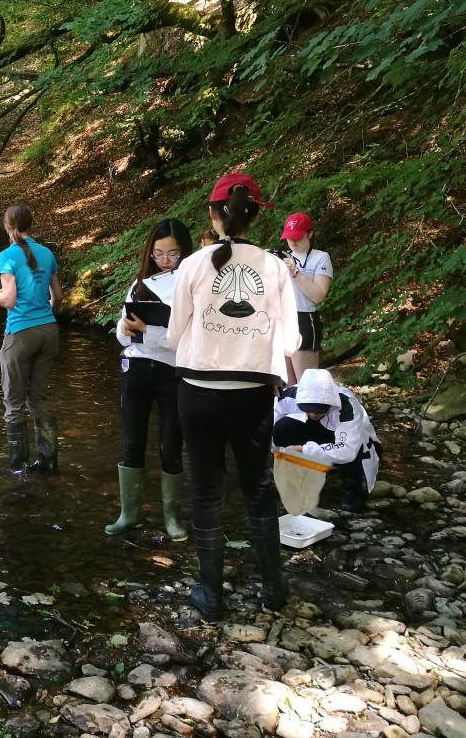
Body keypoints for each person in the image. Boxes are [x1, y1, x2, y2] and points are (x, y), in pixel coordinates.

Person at [167, 172, 300, 619]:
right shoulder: (275, 267)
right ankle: (273, 590)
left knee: (207, 490)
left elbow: (173, 336)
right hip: (252, 393)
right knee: (258, 485)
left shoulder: (192, 265)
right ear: (255, 215)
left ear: (213, 214)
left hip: (197, 391)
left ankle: (211, 596)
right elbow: (292, 343)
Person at [107, 218, 194, 541]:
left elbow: (188, 340)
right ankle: (129, 513)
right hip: (137, 368)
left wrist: (149, 331)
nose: (165, 261)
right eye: (158, 254)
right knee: (132, 441)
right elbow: (123, 336)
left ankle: (172, 517)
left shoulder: (191, 286)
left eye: (173, 254)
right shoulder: (139, 284)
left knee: (171, 442)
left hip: (172, 370)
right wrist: (126, 328)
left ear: (185, 251)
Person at [0, 204, 62, 474]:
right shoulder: (47, 253)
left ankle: (18, 469)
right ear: (31, 225)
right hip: (49, 331)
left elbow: (8, 300)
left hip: (20, 333)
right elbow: (58, 297)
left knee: (14, 404)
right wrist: (47, 312)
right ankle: (48, 463)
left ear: (7, 227)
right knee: (38, 398)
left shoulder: (7, 256)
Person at [273, 368, 380, 512]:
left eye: (319, 409)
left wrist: (304, 450)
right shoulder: (288, 396)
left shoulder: (347, 405)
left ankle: (351, 488)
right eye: (308, 408)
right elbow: (268, 424)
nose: (313, 413)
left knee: (356, 446)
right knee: (283, 427)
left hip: (352, 444)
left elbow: (348, 450)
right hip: (315, 432)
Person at [278, 212, 333, 384]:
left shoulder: (320, 257)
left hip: (304, 319)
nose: (293, 241)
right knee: (286, 385)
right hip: (281, 319)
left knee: (306, 384)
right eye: (289, 237)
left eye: (298, 237)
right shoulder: (281, 257)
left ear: (310, 234)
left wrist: (295, 272)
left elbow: (318, 295)